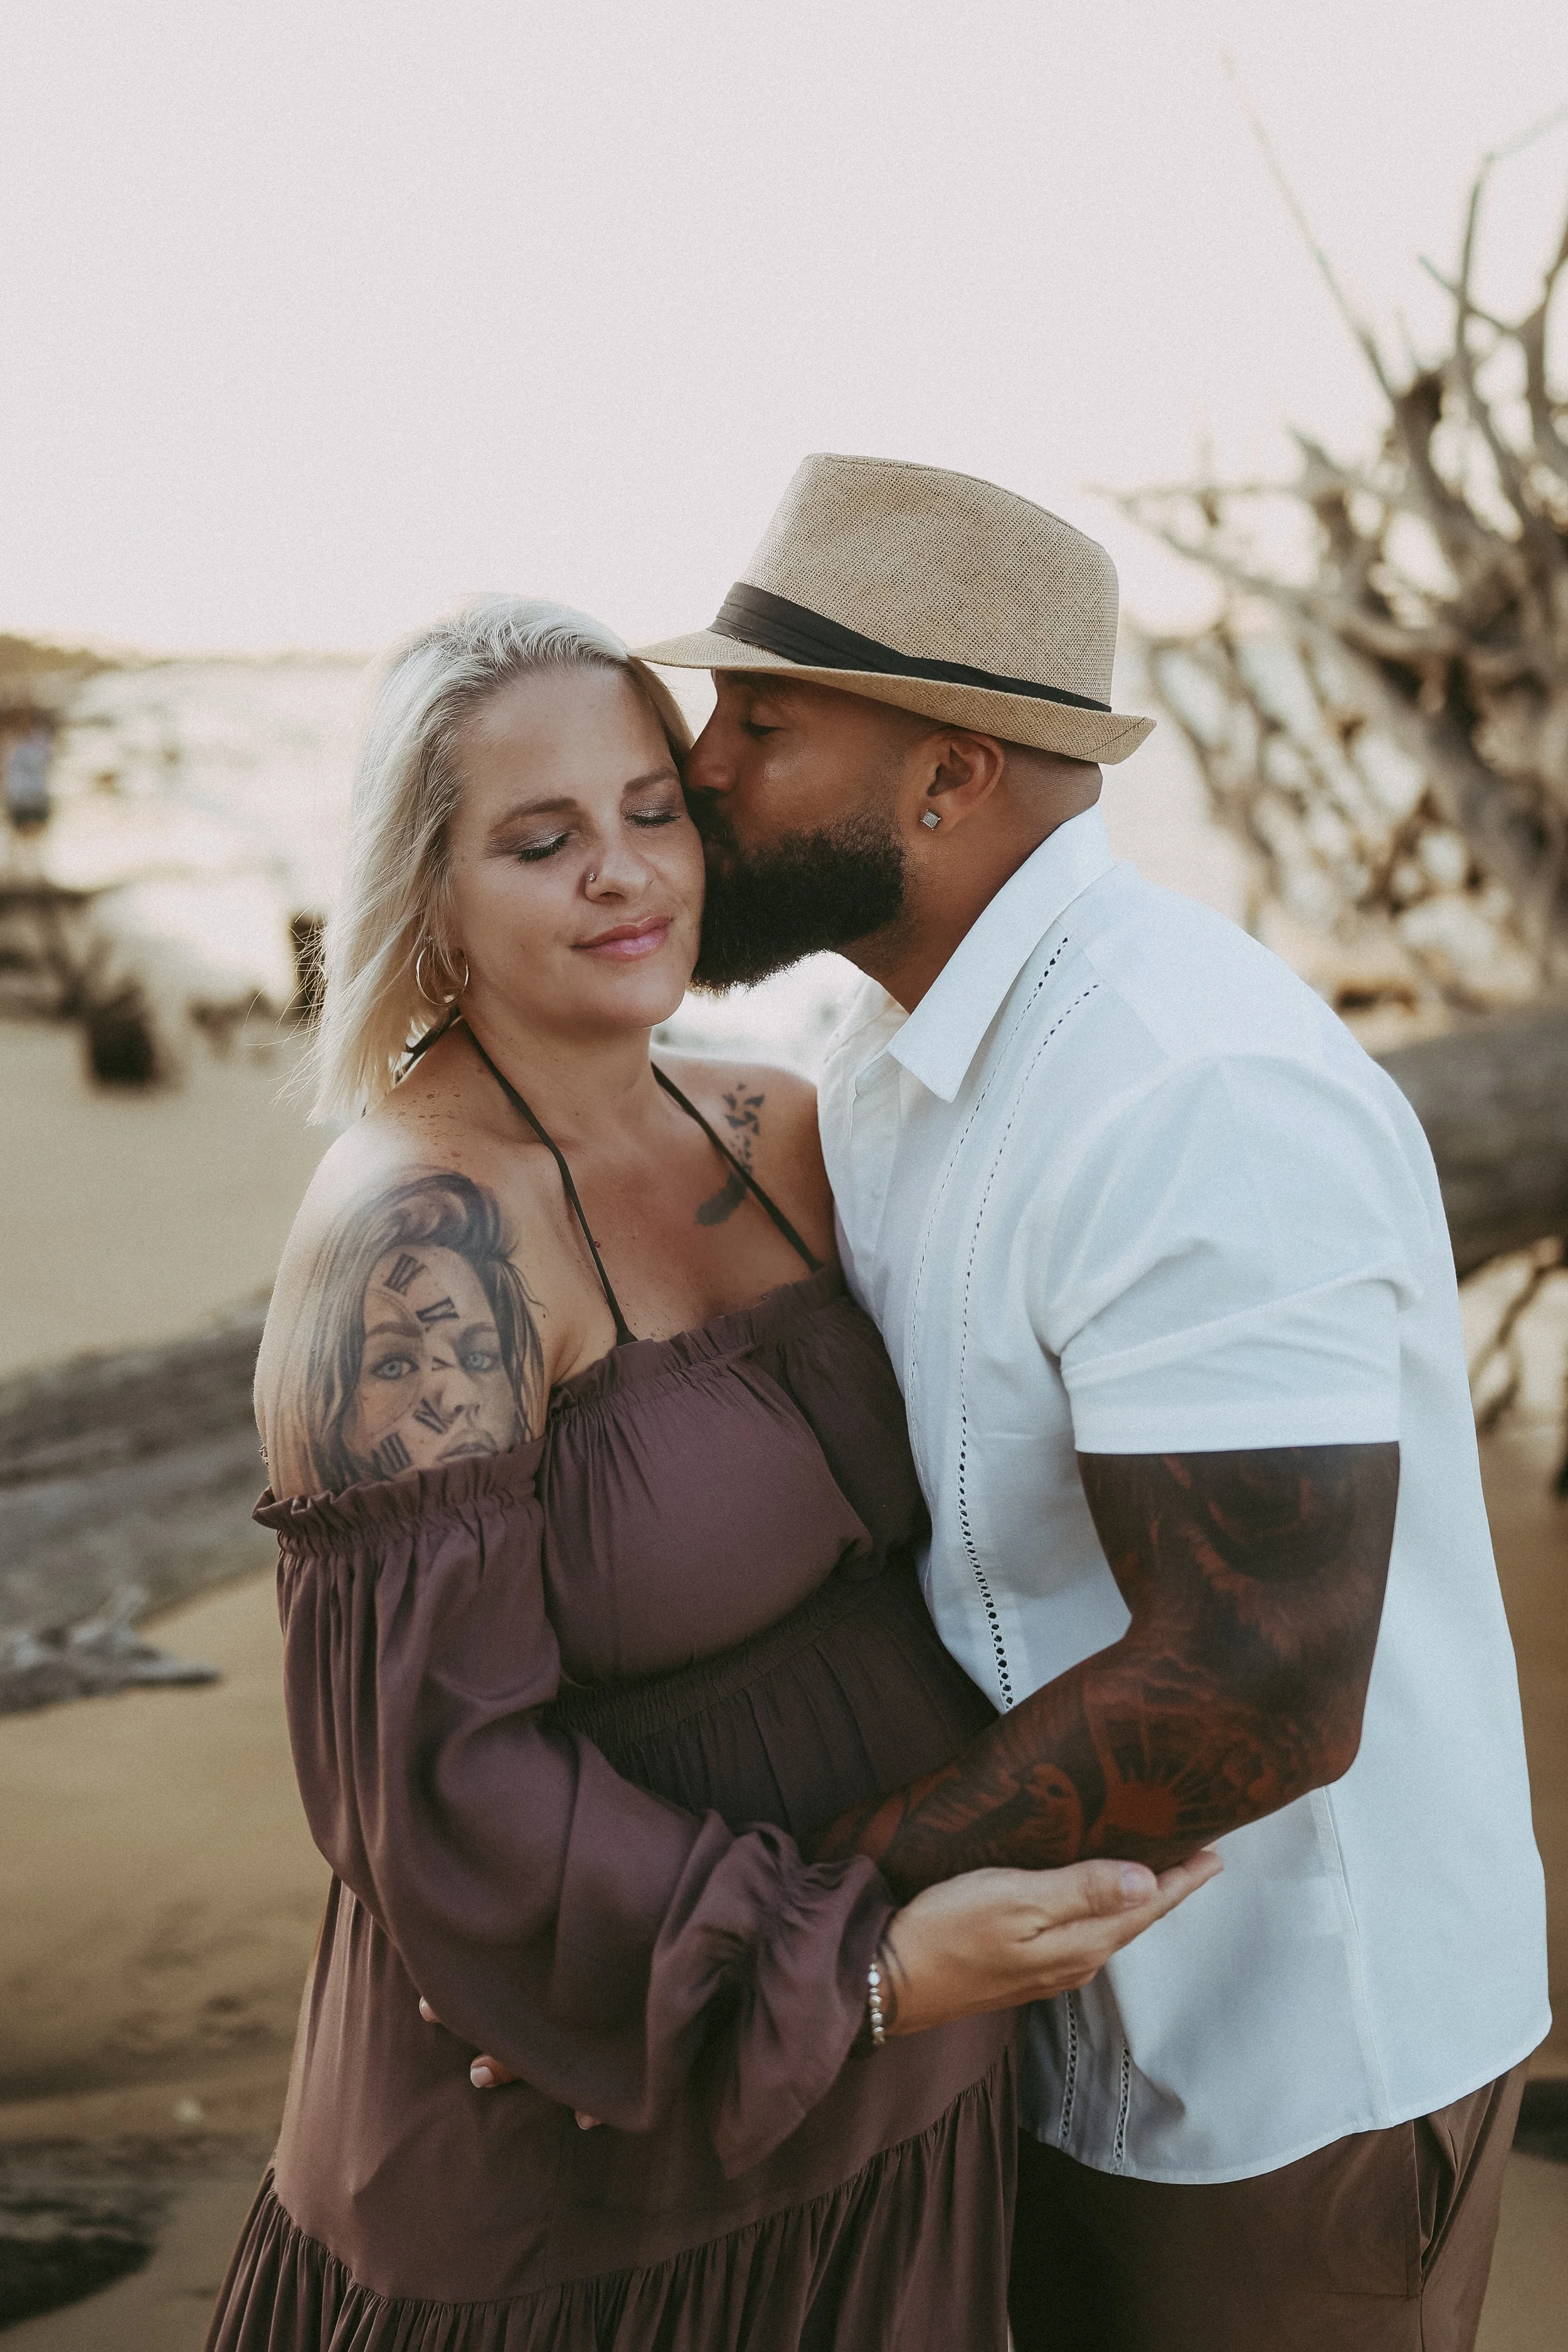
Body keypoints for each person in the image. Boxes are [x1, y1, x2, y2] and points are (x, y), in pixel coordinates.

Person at [205, 597, 1215, 2352]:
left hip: (891, 2103)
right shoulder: (415, 1244)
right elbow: (428, 1790)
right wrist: (871, 1966)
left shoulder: (785, 1125)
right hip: (590, 2153)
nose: (620, 871)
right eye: (541, 839)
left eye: (651, 806)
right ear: (424, 895)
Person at [637, 453, 1552, 2352]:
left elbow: (1256, 1681)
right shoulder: (882, 1048)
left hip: (1276, 2076)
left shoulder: (1181, 1090)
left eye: (764, 715)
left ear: (949, 773)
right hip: (1029, 2038)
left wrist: (801, 1935)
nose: (699, 762)